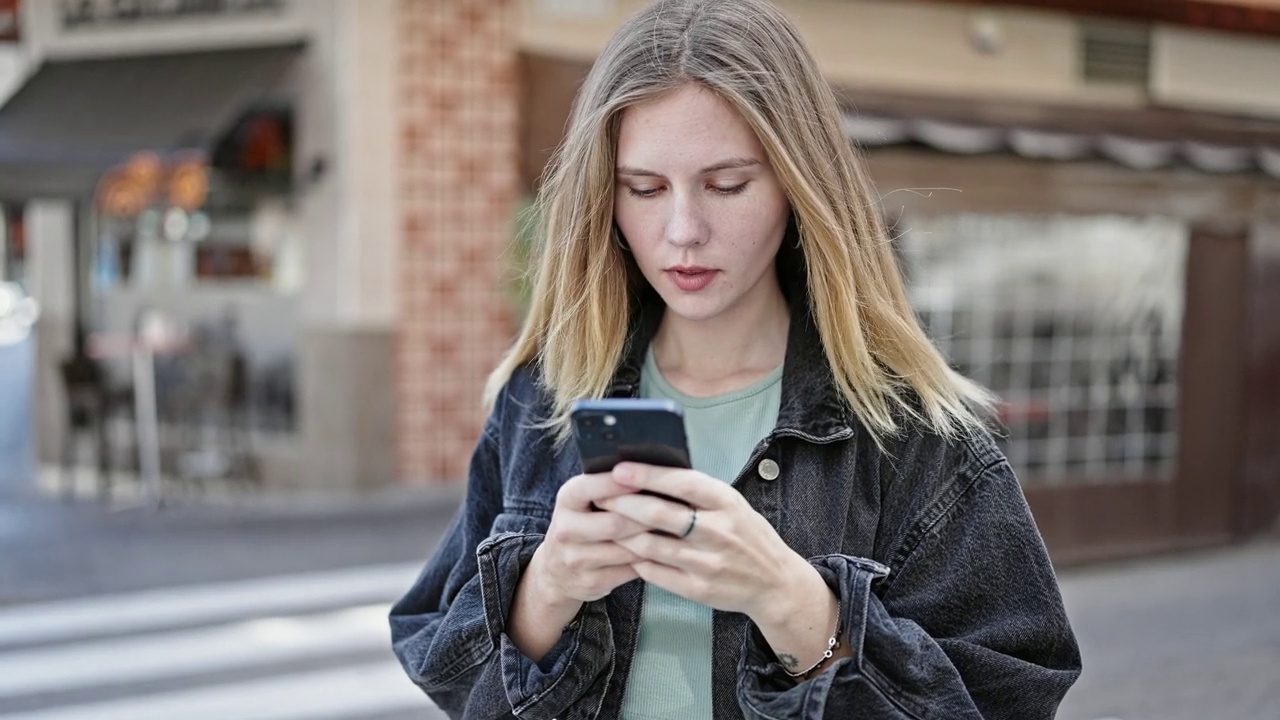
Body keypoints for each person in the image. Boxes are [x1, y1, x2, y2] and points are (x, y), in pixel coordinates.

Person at [389, 0, 1081, 717]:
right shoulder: (542, 398)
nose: (683, 231)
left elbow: (1013, 696)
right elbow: (442, 663)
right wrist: (545, 590)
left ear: (797, 183)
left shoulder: (919, 430)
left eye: (727, 184)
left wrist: (794, 605)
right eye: (645, 188)